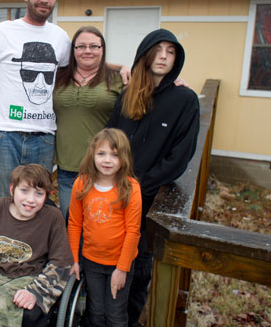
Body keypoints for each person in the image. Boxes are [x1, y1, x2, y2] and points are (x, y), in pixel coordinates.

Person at [106, 28, 200, 326]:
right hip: (111, 196)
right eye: (157, 50)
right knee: (106, 258)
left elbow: (179, 158)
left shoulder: (184, 100)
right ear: (145, 56)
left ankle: (129, 320)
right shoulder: (127, 96)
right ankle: (101, 314)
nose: (163, 57)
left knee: (138, 265)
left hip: (145, 201)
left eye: (170, 52)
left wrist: (137, 186)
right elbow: (108, 141)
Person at [0, 0, 71, 202]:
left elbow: (84, 69)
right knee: (3, 205)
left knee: (35, 206)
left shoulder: (61, 38)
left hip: (44, 138)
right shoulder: (2, 31)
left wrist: (124, 69)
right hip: (4, 137)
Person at [0, 164, 73, 327]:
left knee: (0, 310)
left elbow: (61, 263)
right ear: (12, 189)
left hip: (29, 276)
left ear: (46, 196)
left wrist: (36, 291)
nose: (30, 199)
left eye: (38, 193)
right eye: (24, 190)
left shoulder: (52, 217)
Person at [67, 128, 142, 326]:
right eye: (101, 154)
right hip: (92, 261)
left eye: (114, 155)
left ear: (123, 157)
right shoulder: (81, 184)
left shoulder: (130, 188)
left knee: (115, 315)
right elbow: (74, 224)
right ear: (92, 155)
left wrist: (122, 268)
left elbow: (133, 231)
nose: (107, 160)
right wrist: (74, 258)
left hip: (119, 263)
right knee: (96, 313)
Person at [53, 26, 124, 220]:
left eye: (94, 46)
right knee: (70, 221)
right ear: (73, 50)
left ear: (102, 49)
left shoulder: (118, 79)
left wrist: (173, 79)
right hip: (67, 167)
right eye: (81, 46)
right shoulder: (58, 77)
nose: (87, 51)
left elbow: (147, 90)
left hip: (104, 168)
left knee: (98, 223)